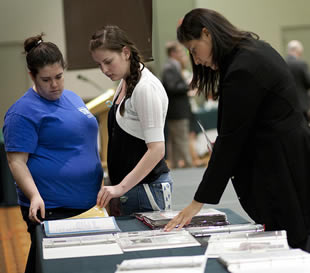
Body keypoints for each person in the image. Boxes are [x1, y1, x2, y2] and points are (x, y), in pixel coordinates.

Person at [164, 8, 310, 252]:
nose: (196, 59)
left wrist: (197, 202)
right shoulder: (251, 51)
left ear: (207, 34)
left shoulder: (243, 68)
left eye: (194, 49)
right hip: (285, 157)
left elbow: (230, 141)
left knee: (293, 241)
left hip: (283, 167)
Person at [2, 34, 103, 273]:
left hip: (89, 205)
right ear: (32, 76)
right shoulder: (22, 112)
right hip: (52, 208)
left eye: (59, 77)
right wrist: (35, 196)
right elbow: (16, 162)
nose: (55, 84)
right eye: (46, 80)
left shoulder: (72, 98)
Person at [89, 25, 172, 216]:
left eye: (108, 62)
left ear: (125, 52)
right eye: (99, 64)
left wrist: (120, 188)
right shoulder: (125, 81)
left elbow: (157, 149)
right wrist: (116, 185)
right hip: (131, 190)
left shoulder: (145, 88)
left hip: (146, 190)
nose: (104, 69)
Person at [162, 41, 193, 169]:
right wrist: (187, 85)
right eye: (180, 51)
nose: (181, 54)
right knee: (181, 140)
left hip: (177, 110)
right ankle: (189, 166)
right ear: (173, 53)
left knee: (176, 142)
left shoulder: (174, 66)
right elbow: (171, 87)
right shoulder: (169, 67)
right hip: (176, 111)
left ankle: (175, 167)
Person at [286, 40, 310, 122]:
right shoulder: (301, 64)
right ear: (298, 50)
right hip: (302, 104)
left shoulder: (283, 63)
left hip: (288, 103)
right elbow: (308, 82)